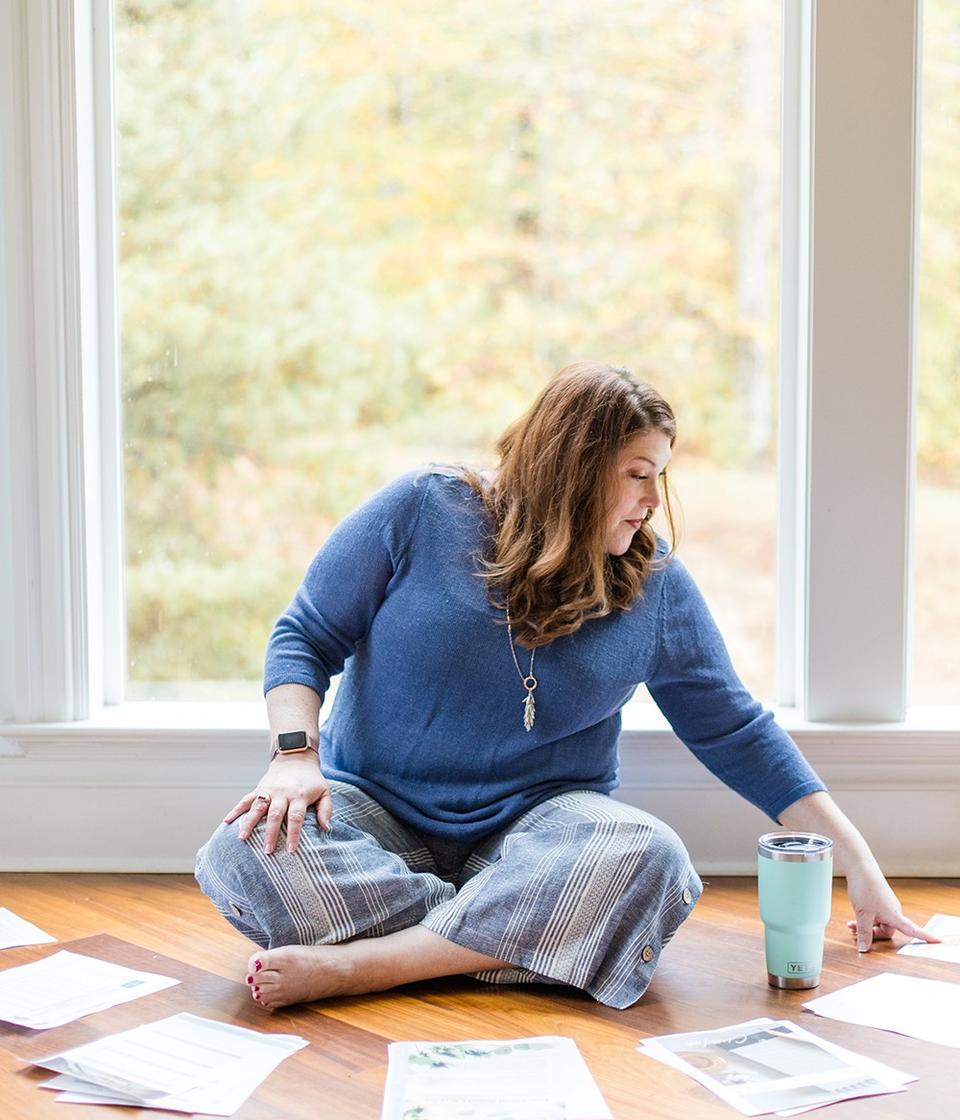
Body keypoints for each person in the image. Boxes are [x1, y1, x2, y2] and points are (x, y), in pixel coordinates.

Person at [195, 362, 936, 1011]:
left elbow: (735, 730)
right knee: (243, 852)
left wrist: (858, 862)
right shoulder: (421, 510)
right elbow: (305, 633)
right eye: (638, 473)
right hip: (374, 811)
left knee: (649, 858)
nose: (654, 499)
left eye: (660, 476)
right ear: (575, 468)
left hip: (539, 833)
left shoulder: (656, 588)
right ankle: (512, 941)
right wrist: (293, 757)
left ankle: (370, 964)